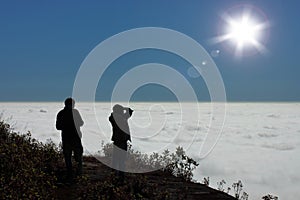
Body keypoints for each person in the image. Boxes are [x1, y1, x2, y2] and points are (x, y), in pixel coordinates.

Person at [56, 97, 84, 181]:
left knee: (68, 157)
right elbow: (81, 123)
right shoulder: (75, 112)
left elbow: (58, 127)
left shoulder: (61, 113)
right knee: (77, 156)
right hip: (74, 137)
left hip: (67, 138)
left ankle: (70, 174)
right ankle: (78, 174)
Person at [109, 104, 133, 182]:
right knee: (119, 160)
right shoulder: (115, 117)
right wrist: (124, 109)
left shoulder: (120, 117)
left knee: (118, 160)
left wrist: (124, 108)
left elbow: (130, 111)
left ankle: (117, 176)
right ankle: (118, 177)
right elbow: (129, 112)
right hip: (120, 141)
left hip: (121, 141)